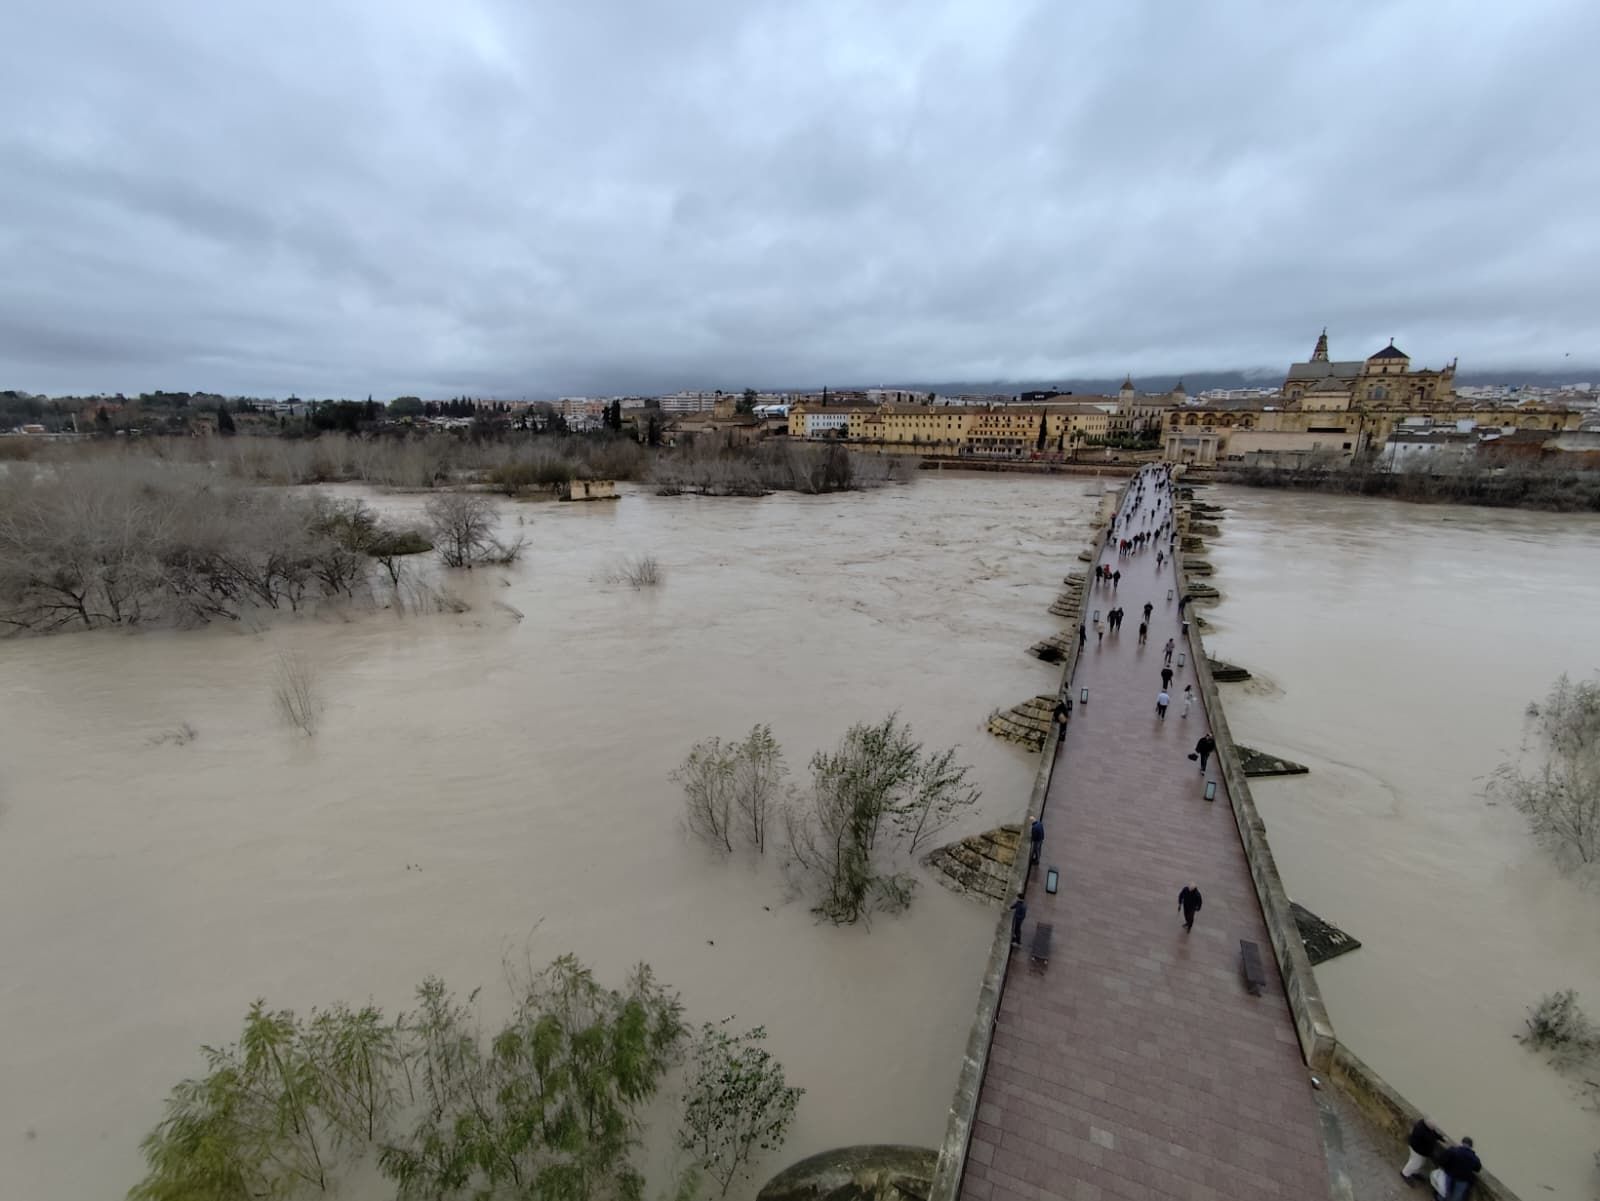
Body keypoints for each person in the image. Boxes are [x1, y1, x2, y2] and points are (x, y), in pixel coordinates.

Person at [1401, 1116, 1446, 1184]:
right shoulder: (1422, 1131)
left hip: (1420, 1150)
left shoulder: (1425, 1124)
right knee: (1415, 1163)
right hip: (1417, 1150)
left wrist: (1440, 1138)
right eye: (1433, 1127)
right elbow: (1431, 1139)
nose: (1434, 1128)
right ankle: (1405, 1174)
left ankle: (1414, 1172)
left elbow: (1433, 1132)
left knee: (1420, 1163)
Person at [1436, 1137, 1480, 1201]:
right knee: (1456, 1197)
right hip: (1462, 1180)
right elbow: (1478, 1168)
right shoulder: (1474, 1158)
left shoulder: (1452, 1150)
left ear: (1462, 1143)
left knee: (1445, 1192)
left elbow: (1441, 1160)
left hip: (1450, 1176)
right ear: (1471, 1146)